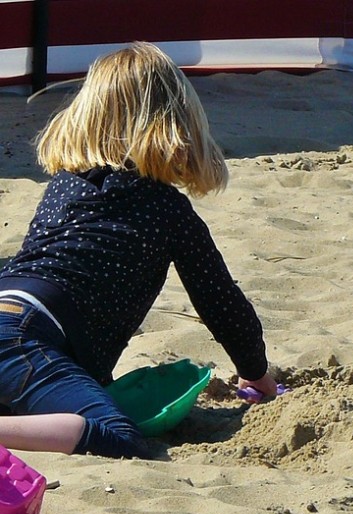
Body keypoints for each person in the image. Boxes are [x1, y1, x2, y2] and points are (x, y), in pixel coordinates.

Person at [0, 42, 277, 458]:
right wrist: (256, 374)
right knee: (116, 434)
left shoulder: (64, 185)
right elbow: (219, 300)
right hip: (28, 338)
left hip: (16, 312)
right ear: (179, 123)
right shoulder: (166, 207)